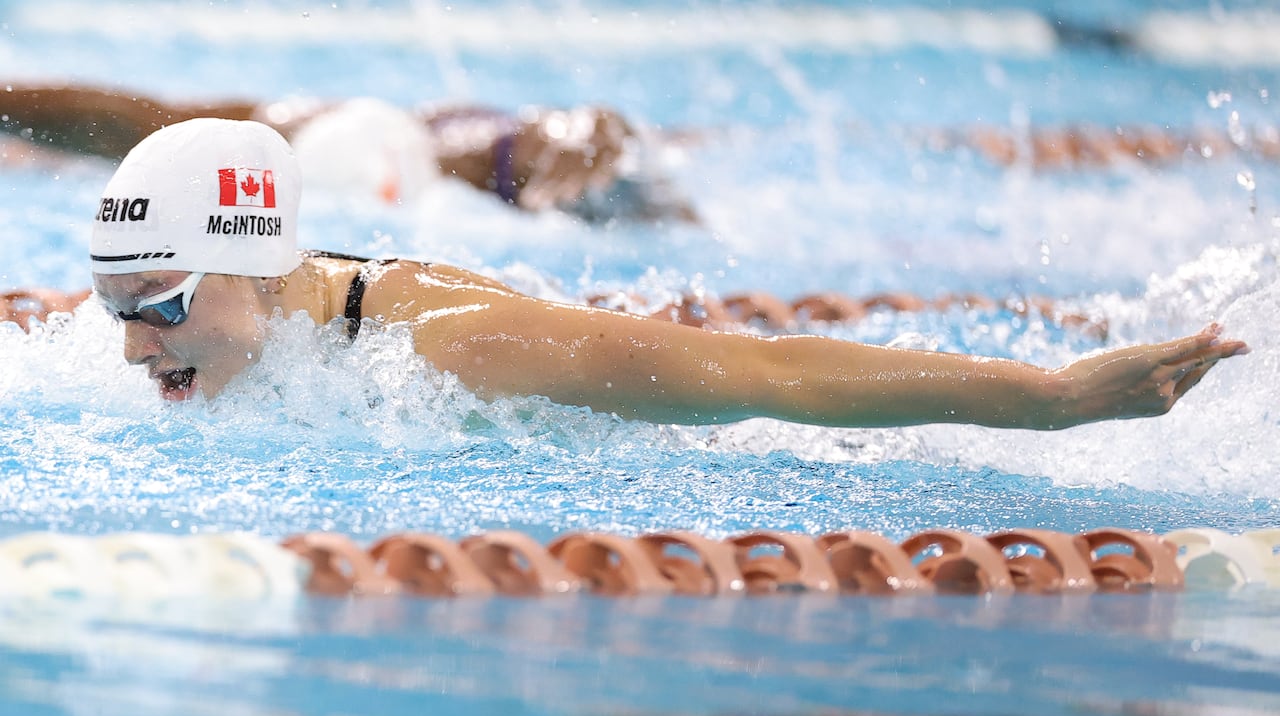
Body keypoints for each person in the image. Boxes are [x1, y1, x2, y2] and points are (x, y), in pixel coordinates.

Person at [88, 118, 1245, 427]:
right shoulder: (261, 329)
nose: (134, 346)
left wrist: (1050, 402)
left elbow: (771, 374)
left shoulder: (447, 348)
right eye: (117, 308)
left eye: (161, 308)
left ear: (255, 264)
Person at [0, 83, 696, 222]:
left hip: (361, 137)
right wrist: (592, 133)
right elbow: (595, 127)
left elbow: (598, 128)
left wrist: (593, 135)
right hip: (367, 137)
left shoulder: (491, 156)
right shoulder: (482, 153)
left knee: (152, 125)